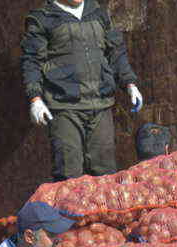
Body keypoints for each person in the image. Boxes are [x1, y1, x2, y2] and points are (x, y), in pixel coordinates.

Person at [20, 0, 143, 181]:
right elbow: (31, 61)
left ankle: (102, 210)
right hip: (65, 108)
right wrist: (35, 99)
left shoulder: (98, 13)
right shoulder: (43, 18)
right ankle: (69, 211)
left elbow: (116, 53)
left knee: (106, 173)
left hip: (100, 105)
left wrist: (130, 84)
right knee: (69, 174)